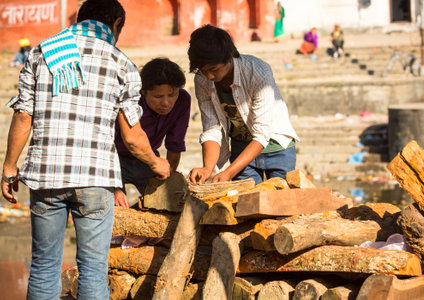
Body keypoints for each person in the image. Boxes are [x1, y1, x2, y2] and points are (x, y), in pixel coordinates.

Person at [1, 0, 170, 299]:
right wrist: (158, 164)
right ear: (116, 23)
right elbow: (132, 137)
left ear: (81, 19)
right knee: (93, 269)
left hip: (46, 177)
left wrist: (9, 167)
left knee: (43, 267)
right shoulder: (122, 63)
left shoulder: (42, 53)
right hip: (95, 179)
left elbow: (23, 115)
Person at [187, 25, 300, 185]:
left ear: (229, 57)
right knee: (245, 205)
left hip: (276, 148)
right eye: (203, 70)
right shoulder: (202, 79)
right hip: (240, 151)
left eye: (213, 69)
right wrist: (208, 168)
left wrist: (229, 172)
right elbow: (211, 128)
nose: (209, 75)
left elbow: (261, 135)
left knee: (281, 203)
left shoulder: (258, 71)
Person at [114, 58, 190, 208]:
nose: (166, 103)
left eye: (172, 95)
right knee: (116, 209)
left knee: (166, 204)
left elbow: (175, 144)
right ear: (143, 92)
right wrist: (113, 186)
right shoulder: (130, 101)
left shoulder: (183, 100)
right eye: (158, 97)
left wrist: (169, 178)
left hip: (148, 159)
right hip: (114, 159)